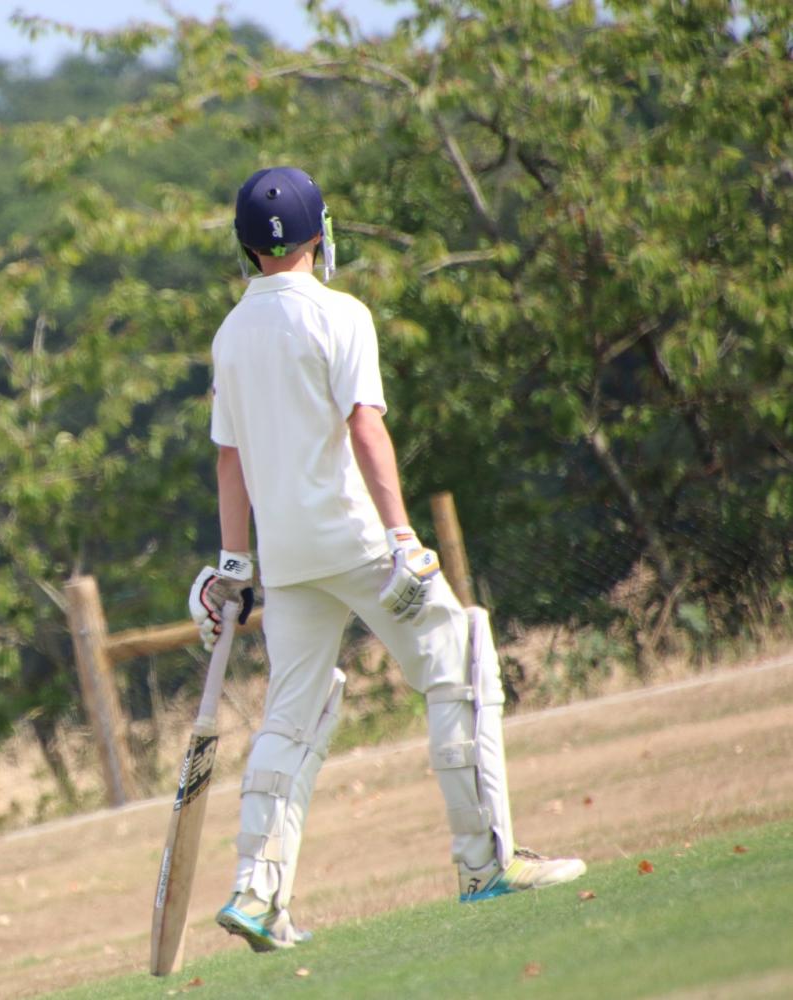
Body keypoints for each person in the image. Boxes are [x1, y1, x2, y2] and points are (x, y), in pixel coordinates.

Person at [187, 168, 585, 952]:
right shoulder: (341, 314)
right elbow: (366, 428)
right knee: (460, 659)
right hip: (357, 540)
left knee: (290, 716)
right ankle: (486, 865)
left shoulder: (230, 335)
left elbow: (229, 461)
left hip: (289, 556)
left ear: (247, 248)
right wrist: (402, 534)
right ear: (318, 237)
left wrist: (235, 565)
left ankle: (257, 892)